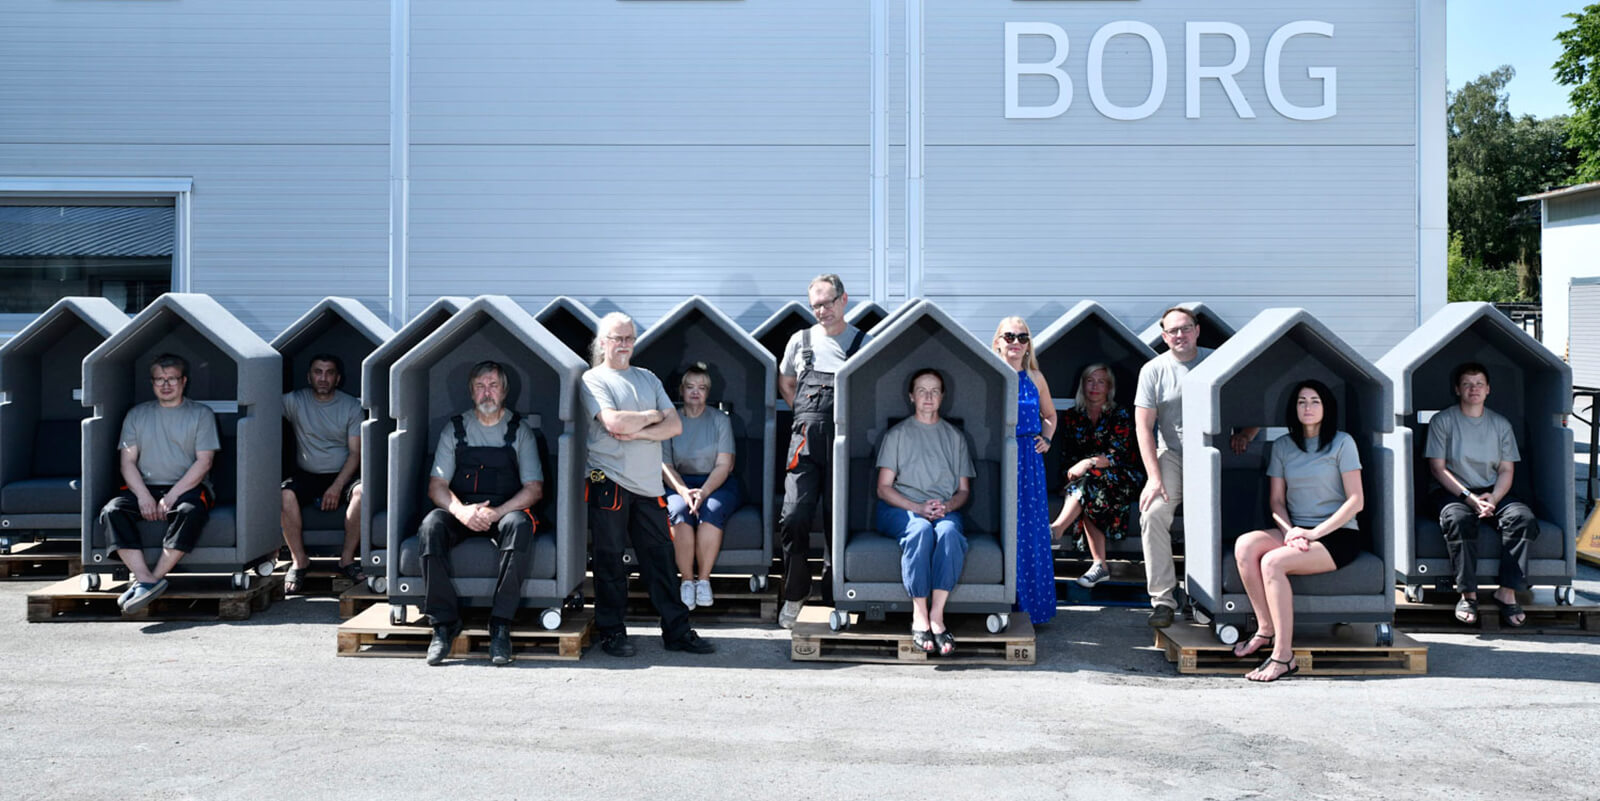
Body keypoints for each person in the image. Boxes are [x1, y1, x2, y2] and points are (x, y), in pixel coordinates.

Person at [584, 313, 716, 657]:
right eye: (617, 338)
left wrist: (637, 429)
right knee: (610, 561)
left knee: (660, 560)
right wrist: (651, 416)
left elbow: (674, 426)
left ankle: (677, 631)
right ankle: (612, 632)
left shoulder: (648, 378)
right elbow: (611, 421)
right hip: (608, 481)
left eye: (629, 338)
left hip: (648, 487)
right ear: (603, 343)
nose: (624, 344)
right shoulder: (592, 380)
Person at [1231, 380, 1365, 682]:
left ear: (1326, 407)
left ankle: (1283, 656)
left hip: (1337, 534)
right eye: (1302, 401)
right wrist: (1292, 530)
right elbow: (1276, 501)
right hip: (1296, 529)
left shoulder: (1344, 442)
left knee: (1273, 562)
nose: (1308, 407)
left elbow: (1356, 501)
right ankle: (1265, 629)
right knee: (1245, 546)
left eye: (1315, 401)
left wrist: (1313, 533)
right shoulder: (1282, 446)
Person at [1135, 306, 1256, 628]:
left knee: (1208, 519)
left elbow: (1253, 401)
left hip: (1212, 455)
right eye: (1173, 331)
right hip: (1172, 454)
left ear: (1197, 330)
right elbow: (1143, 427)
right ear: (1164, 337)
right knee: (1153, 512)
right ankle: (1162, 599)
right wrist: (1153, 478)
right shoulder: (1153, 370)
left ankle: (1201, 596)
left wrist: (1246, 434)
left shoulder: (1219, 360)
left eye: (1185, 328)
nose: (1179, 335)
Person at [417, 361, 543, 666]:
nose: (487, 392)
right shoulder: (455, 428)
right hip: (462, 509)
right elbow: (437, 486)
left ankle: (500, 625)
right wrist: (461, 511)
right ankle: (444, 625)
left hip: (504, 510)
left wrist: (498, 512)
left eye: (493, 385)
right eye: (480, 386)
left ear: (504, 391)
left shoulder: (520, 431)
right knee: (430, 525)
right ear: (471, 393)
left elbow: (534, 488)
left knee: (520, 525)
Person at [775, 274, 871, 629]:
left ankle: (836, 593)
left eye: (828, 302)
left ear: (844, 300)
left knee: (838, 518)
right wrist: (805, 415)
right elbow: (786, 382)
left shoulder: (863, 341)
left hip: (843, 443)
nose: (822, 310)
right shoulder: (799, 341)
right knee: (794, 515)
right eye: (816, 305)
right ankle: (796, 591)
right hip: (804, 441)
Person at [97, 354, 219, 613]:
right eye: (159, 380)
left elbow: (204, 462)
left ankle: (152, 579)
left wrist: (172, 496)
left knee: (189, 511)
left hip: (188, 487)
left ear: (183, 381)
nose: (166, 385)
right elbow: (127, 462)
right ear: (152, 383)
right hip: (145, 486)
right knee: (112, 510)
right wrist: (143, 496)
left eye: (172, 379)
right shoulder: (137, 415)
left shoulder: (201, 414)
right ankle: (145, 580)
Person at [1426, 363, 1538, 628]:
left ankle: (1507, 591)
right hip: (1454, 492)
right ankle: (1468, 595)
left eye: (1479, 384)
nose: (1473, 389)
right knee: (1458, 520)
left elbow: (1506, 469)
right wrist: (1468, 497)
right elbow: (1437, 468)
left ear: (1488, 390)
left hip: (1492, 491)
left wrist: (1494, 499)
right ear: (1457, 389)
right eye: (1467, 383)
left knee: (1522, 518)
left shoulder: (1500, 424)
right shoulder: (1442, 421)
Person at [875, 368, 976, 656]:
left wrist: (946, 507)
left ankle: (937, 616)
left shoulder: (955, 437)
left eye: (934, 391)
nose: (928, 396)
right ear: (911, 396)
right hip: (901, 508)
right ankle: (919, 615)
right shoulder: (897, 435)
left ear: (943, 396)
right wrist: (917, 508)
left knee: (949, 531)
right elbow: (883, 488)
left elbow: (964, 491)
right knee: (919, 529)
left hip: (943, 508)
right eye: (922, 390)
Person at [1049, 363, 1145, 589]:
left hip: (1124, 476)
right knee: (1090, 489)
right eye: (1090, 381)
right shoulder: (1073, 416)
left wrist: (1088, 462)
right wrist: (1068, 480)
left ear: (1109, 387)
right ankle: (1099, 566)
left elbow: (1117, 456)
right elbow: (1067, 455)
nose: (1095, 386)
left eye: (1101, 381)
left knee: (1089, 484)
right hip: (1088, 482)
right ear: (1083, 385)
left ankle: (1056, 530)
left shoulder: (1119, 414)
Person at [991, 317, 1057, 625]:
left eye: (1022, 336)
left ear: (1028, 343)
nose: (1015, 341)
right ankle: (999, 602)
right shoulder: (992, 373)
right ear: (998, 341)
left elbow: (1050, 415)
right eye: (1009, 336)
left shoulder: (1036, 377)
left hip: (1029, 463)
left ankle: (1032, 608)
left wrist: (1046, 438)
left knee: (1030, 531)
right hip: (1001, 458)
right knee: (1001, 527)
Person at [279, 354, 364, 593]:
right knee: (284, 495)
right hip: (307, 474)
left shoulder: (351, 406)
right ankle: (299, 561)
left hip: (342, 473)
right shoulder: (295, 401)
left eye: (329, 373)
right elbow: (261, 402)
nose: (323, 378)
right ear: (309, 376)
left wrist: (337, 487)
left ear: (338, 378)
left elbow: (356, 453)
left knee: (362, 492)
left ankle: (347, 560)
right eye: (318, 372)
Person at [661, 362, 741, 610]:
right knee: (678, 510)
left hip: (715, 483)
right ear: (681, 391)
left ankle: (703, 581)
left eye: (702, 387)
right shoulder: (670, 421)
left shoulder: (720, 420)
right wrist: (684, 491)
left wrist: (703, 492)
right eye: (690, 387)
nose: (696, 392)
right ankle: (687, 581)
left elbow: (724, 465)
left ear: (708, 392)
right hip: (678, 483)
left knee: (712, 510)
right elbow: (664, 465)